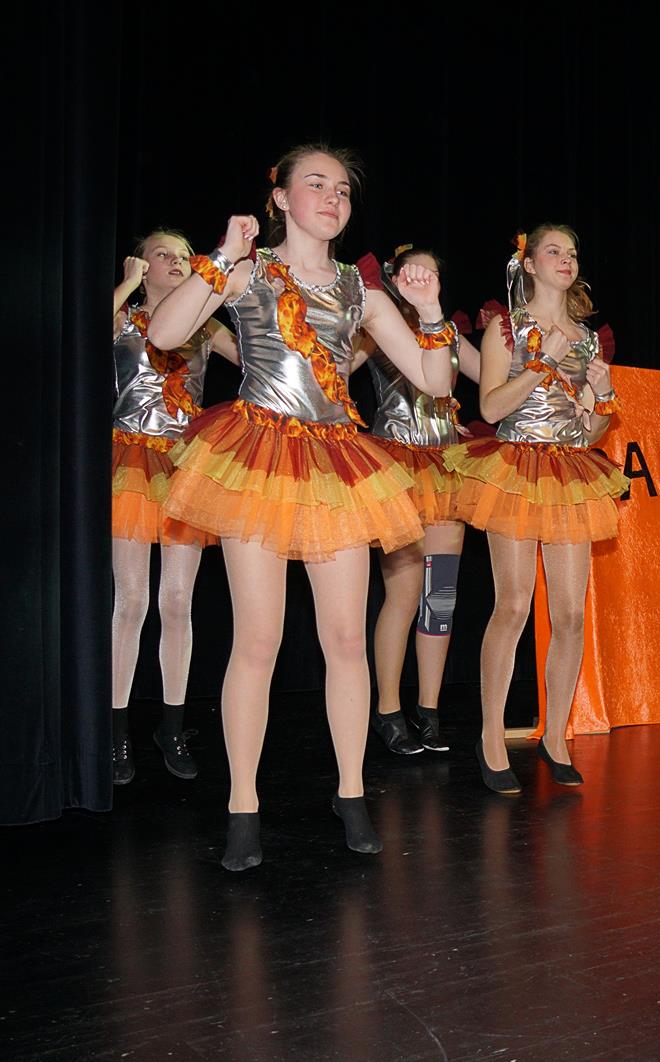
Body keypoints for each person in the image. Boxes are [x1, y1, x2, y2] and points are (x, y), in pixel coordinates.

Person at [148, 145, 458, 870]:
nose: (332, 197)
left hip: (336, 464)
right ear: (281, 199)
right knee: (257, 641)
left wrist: (430, 311)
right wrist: (221, 258)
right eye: (315, 184)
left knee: (345, 640)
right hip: (257, 455)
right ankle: (243, 806)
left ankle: (351, 793)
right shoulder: (249, 271)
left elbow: (435, 382)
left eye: (342, 189)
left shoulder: (361, 292)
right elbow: (163, 334)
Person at [454, 225, 625, 793]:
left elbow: (591, 432)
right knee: (513, 605)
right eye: (554, 251)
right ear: (528, 264)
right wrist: (540, 362)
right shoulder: (508, 327)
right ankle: (490, 735)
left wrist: (603, 396)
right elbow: (491, 407)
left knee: (571, 615)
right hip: (516, 469)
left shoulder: (587, 339)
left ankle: (556, 736)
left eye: (572, 253)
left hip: (569, 470)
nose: (566, 260)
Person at [109, 230, 239, 784]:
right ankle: (115, 732)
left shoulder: (203, 324)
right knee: (132, 600)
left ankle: (172, 725)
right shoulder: (126, 317)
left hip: (186, 464)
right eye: (162, 254)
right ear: (142, 263)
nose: (176, 262)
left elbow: (260, 354)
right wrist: (127, 283)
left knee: (178, 600)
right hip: (131, 463)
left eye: (185, 256)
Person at [360, 246, 483, 756]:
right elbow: (336, 368)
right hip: (396, 464)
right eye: (414, 270)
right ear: (395, 276)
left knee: (441, 596)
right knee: (404, 594)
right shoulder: (377, 322)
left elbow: (493, 380)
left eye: (432, 273)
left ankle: (429, 711)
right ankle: (388, 711)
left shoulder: (448, 331)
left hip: (446, 467)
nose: (422, 278)